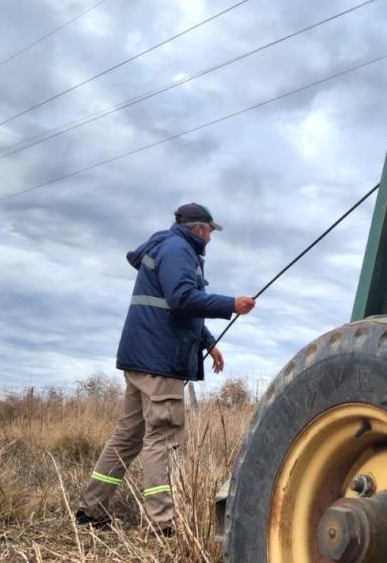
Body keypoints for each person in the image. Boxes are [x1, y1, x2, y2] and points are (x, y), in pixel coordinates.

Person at [76, 203, 255, 536]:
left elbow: (176, 308)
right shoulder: (178, 250)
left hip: (142, 358)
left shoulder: (166, 247)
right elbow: (182, 299)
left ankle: (91, 510)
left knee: (127, 437)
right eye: (210, 232)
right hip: (159, 362)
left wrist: (208, 342)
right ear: (199, 229)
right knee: (164, 438)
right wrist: (231, 304)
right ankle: (163, 524)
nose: (211, 239)